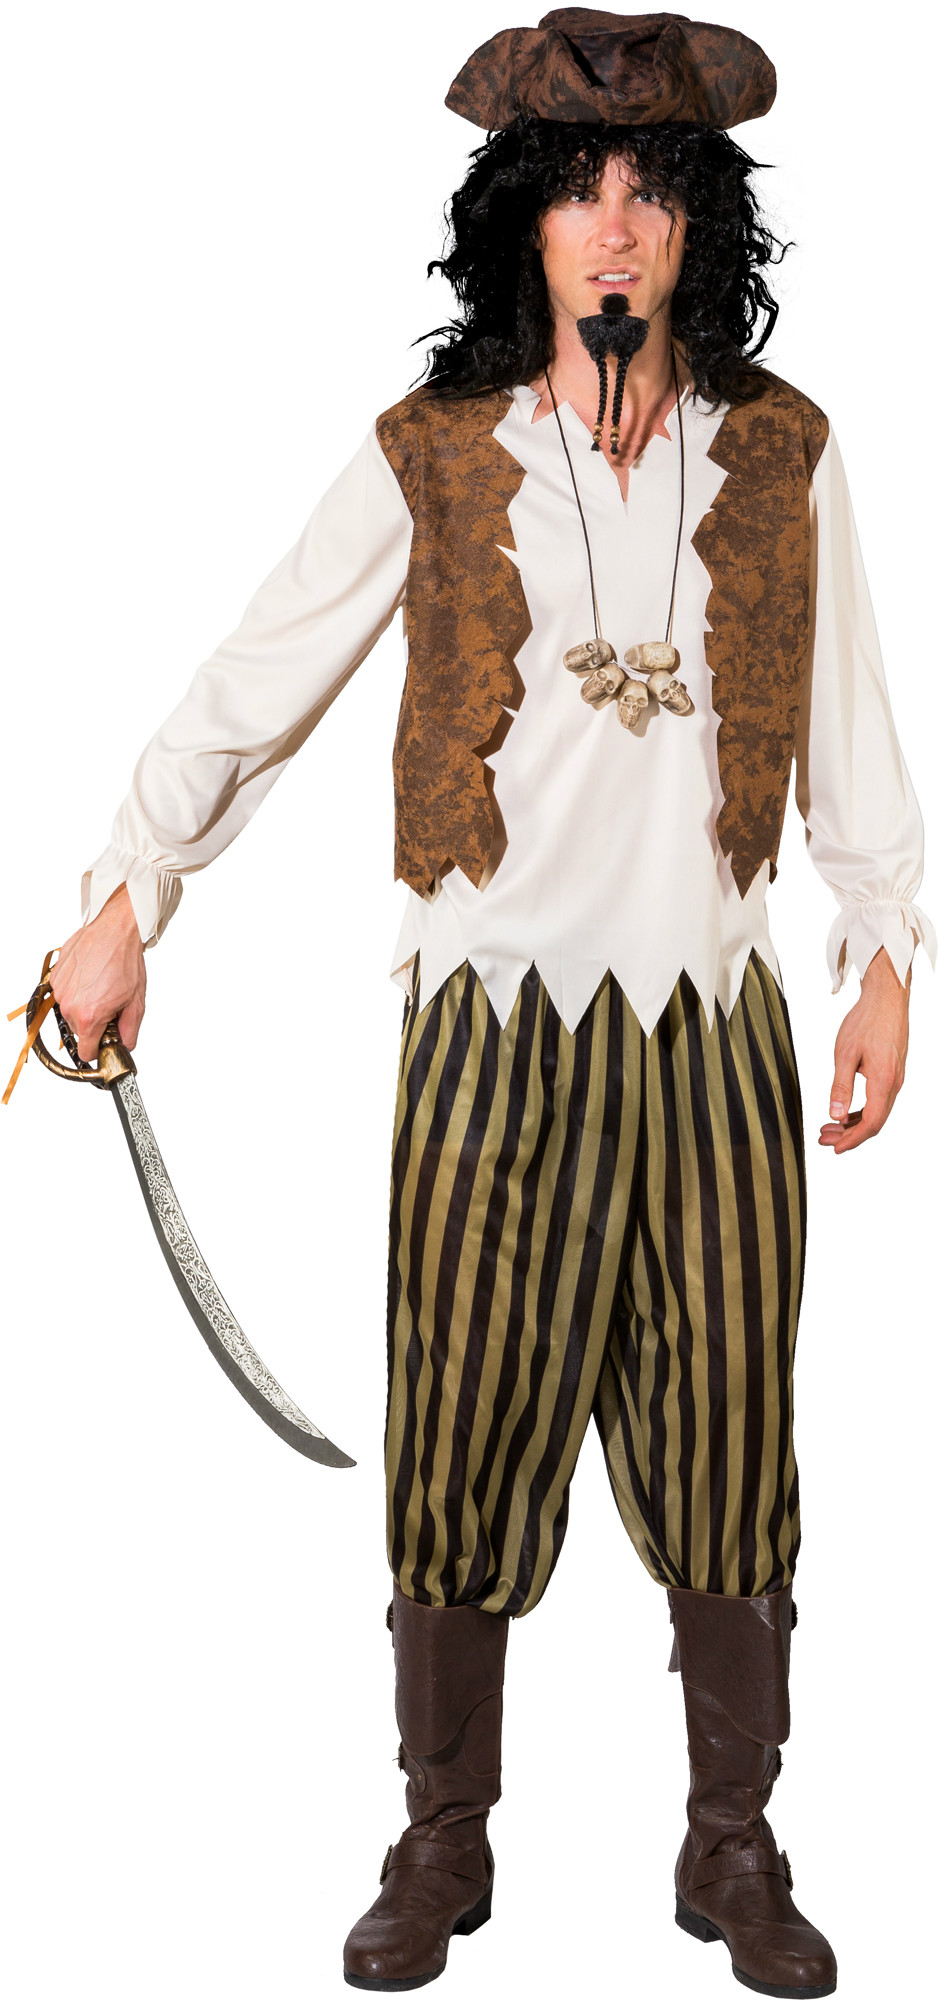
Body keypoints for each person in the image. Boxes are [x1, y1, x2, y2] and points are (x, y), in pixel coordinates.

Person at [47, 11, 933, 1997]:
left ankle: (731, 1843)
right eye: (578, 190)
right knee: (457, 1428)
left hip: (712, 1028)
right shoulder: (436, 452)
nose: (614, 226)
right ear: (522, 221)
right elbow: (256, 677)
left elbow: (858, 711)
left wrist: (885, 949)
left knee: (733, 1435)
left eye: (651, 191)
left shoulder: (783, 449)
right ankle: (442, 1836)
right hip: (488, 1030)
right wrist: (125, 897)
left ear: (696, 226)